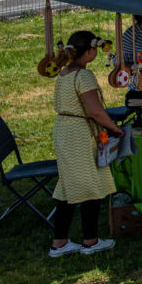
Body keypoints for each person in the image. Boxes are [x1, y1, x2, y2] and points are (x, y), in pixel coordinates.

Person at [44, 31, 124, 258]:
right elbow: (96, 110)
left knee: (67, 185)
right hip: (79, 133)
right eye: (95, 51)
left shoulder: (64, 73)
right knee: (90, 185)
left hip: (64, 129)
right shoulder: (83, 76)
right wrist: (114, 128)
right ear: (89, 51)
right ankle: (90, 240)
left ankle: (59, 242)